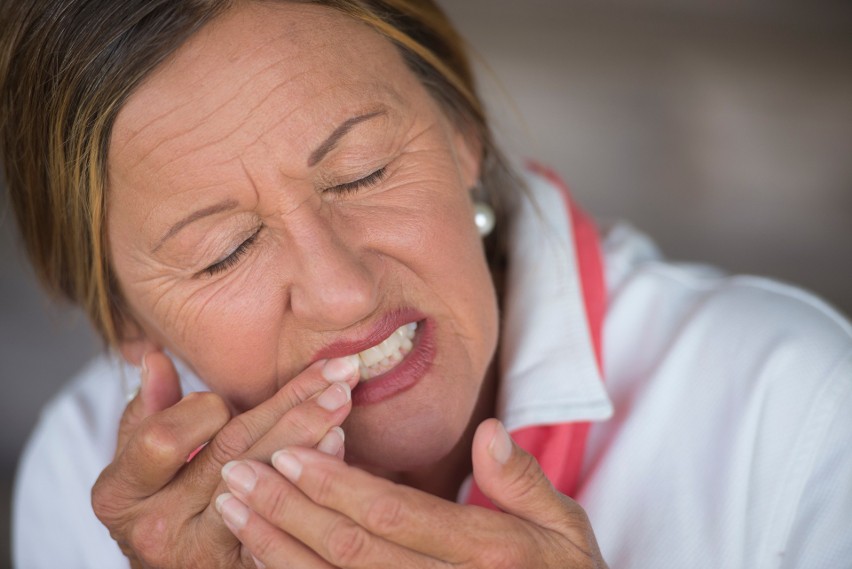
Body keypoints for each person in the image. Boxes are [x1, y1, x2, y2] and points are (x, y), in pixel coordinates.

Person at [2, 1, 850, 568]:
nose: (343, 293)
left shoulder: (794, 408)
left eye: (363, 172)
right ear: (124, 320)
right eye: (225, 251)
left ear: (463, 137)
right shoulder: (84, 484)